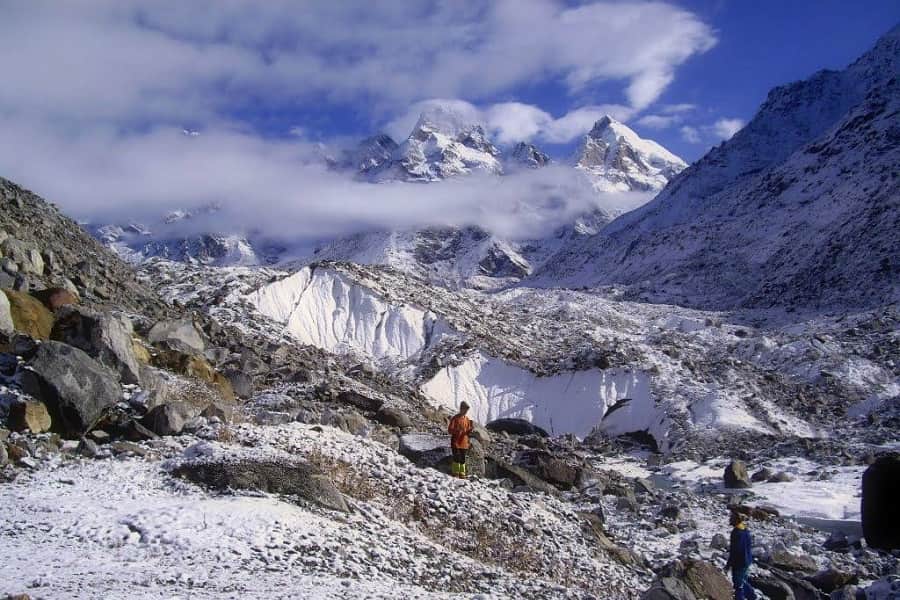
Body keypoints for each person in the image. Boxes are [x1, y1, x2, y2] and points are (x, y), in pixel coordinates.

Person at [724, 512, 757, 600]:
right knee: (743, 580)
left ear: (736, 520)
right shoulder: (745, 530)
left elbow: (735, 551)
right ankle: (752, 597)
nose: (730, 519)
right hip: (747, 560)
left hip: (739, 562)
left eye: (732, 518)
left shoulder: (736, 532)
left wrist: (728, 565)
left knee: (738, 585)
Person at [447, 401, 474, 479]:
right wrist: (457, 431)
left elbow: (468, 431)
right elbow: (450, 430)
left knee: (463, 459)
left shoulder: (467, 419)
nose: (465, 411)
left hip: (464, 442)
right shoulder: (455, 418)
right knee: (456, 458)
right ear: (461, 409)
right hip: (456, 442)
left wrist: (470, 431)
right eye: (464, 409)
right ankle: (455, 473)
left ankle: (462, 474)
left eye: (466, 410)